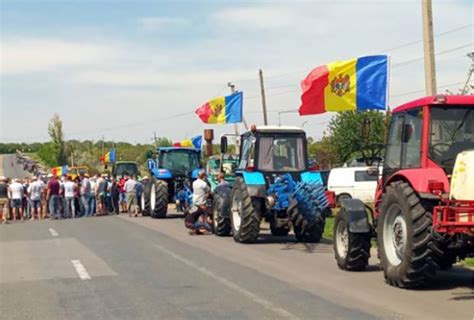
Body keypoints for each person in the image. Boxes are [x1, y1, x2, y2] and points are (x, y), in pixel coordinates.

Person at [186, 170, 212, 235]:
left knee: (195, 214)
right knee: (202, 215)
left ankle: (194, 229)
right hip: (201, 201)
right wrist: (208, 195)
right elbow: (209, 191)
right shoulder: (204, 184)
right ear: (203, 176)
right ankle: (202, 229)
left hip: (195, 200)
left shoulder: (194, 182)